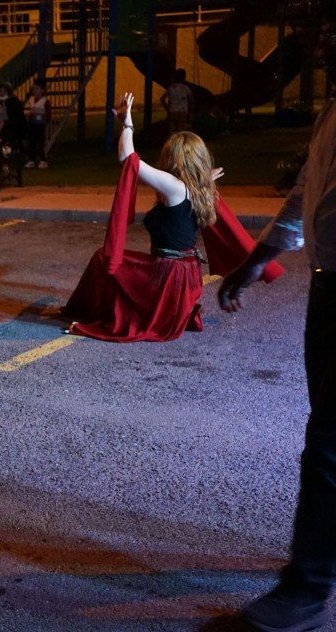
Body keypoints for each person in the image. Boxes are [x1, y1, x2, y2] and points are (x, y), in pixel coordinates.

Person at [216, 83, 336, 632]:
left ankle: (308, 588)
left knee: (329, 446)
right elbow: (308, 192)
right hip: (327, 286)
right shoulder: (331, 110)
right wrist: (254, 261)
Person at [62, 93, 281, 342]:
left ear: (173, 158)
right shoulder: (201, 187)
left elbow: (128, 160)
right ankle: (108, 310)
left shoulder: (174, 186)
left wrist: (128, 123)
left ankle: (96, 315)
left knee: (104, 258)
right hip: (185, 277)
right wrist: (205, 178)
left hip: (167, 278)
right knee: (108, 259)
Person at [24, 82, 51, 168]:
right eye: (34, 89)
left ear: (42, 90)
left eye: (37, 89)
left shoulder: (45, 101)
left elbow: (48, 114)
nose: (35, 91)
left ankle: (43, 160)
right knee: (32, 142)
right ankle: (31, 159)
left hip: (40, 125)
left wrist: (45, 122)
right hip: (32, 124)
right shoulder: (31, 99)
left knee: (40, 143)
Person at [161, 68, 195, 134]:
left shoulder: (171, 88)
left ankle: (173, 142)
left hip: (172, 112)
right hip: (183, 112)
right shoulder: (186, 88)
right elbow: (191, 101)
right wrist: (190, 112)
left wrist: (167, 109)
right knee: (182, 131)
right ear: (184, 77)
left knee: (172, 130)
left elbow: (162, 99)